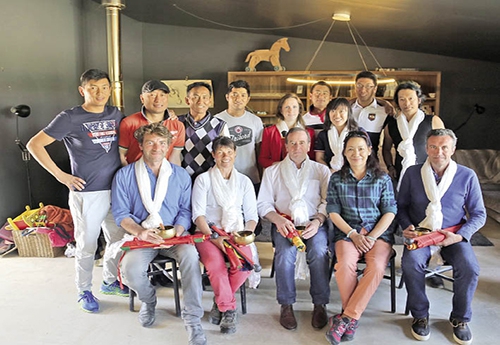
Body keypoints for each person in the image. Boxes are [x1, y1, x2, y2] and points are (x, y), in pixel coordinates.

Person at [26, 69, 128, 313]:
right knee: (87, 244)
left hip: (117, 190)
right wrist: (61, 176)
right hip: (87, 193)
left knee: (119, 239)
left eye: (104, 87)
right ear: (83, 90)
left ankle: (110, 281)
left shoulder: (116, 114)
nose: (100, 92)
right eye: (93, 87)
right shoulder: (70, 117)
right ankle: (84, 290)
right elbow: (34, 144)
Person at [111, 123, 207, 345]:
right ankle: (149, 300)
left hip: (174, 236)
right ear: (141, 146)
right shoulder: (124, 176)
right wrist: (141, 232)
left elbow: (185, 210)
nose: (157, 147)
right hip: (142, 236)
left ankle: (193, 319)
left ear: (168, 146)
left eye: (162, 143)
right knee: (130, 270)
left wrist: (179, 230)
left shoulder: (180, 175)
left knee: (192, 258)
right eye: (151, 142)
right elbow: (121, 214)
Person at [398, 129, 486, 345]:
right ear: (426, 148)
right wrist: (406, 226)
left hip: (452, 235)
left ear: (453, 149)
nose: (439, 152)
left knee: (469, 267)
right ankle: (420, 315)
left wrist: (460, 236)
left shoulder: (467, 175)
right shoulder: (412, 173)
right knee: (410, 264)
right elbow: (401, 207)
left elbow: (479, 214)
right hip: (421, 234)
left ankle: (460, 319)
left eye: (444, 147)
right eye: (433, 147)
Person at [325, 131, 396, 344]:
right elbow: (333, 211)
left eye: (361, 149)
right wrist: (352, 234)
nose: (356, 153)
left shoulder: (382, 178)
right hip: (348, 233)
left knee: (376, 267)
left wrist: (372, 237)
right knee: (345, 264)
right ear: (344, 153)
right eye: (351, 149)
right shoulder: (337, 178)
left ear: (369, 151)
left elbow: (390, 211)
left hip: (378, 234)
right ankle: (351, 318)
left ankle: (347, 317)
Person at [257, 127, 331, 331]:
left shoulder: (321, 170)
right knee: (285, 254)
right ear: (285, 145)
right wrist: (278, 220)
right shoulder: (272, 171)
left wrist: (317, 222)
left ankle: (320, 304)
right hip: (285, 223)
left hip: (313, 223)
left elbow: (327, 201)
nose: (297, 147)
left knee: (318, 251)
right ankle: (286, 304)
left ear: (309, 145)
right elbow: (263, 204)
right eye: (292, 143)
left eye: (301, 143)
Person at [192, 136, 258, 334]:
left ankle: (219, 300)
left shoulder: (244, 182)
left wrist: (245, 236)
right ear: (213, 155)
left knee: (245, 264)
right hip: (208, 234)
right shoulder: (203, 180)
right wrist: (214, 237)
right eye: (220, 152)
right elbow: (198, 215)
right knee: (215, 266)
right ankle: (228, 309)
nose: (225, 156)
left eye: (229, 152)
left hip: (235, 233)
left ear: (235, 154)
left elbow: (252, 217)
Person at [382, 81, 445, 186]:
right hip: (400, 173)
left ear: (419, 100)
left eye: (411, 99)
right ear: (397, 102)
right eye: (402, 99)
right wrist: (390, 166)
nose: (407, 103)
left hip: (429, 172)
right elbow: (386, 149)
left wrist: (441, 168)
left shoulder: (433, 121)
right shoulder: (391, 125)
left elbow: (444, 146)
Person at [119, 80, 185, 166]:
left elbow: (175, 157)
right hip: (136, 173)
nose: (158, 100)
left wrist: (174, 177)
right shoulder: (129, 123)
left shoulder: (177, 125)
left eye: (162, 95)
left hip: (165, 175)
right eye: (152, 95)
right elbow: (121, 155)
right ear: (142, 98)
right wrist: (128, 175)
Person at [215, 80, 264, 186]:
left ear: (248, 99)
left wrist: (261, 175)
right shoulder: (217, 120)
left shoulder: (255, 121)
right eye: (234, 95)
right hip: (224, 178)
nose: (238, 99)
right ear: (227, 97)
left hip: (251, 177)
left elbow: (259, 150)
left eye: (243, 95)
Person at [178, 81, 229, 179]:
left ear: (210, 100)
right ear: (187, 100)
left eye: (205, 97)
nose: (200, 101)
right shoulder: (178, 123)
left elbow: (225, 155)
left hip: (210, 179)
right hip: (182, 178)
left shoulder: (220, 125)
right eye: (195, 97)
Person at [258, 93, 315, 169]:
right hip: (277, 174)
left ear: (299, 109)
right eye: (287, 107)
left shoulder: (310, 132)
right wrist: (281, 166)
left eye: (294, 107)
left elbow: (312, 158)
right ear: (281, 110)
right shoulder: (269, 132)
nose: (291, 110)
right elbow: (263, 159)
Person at [350, 71, 394, 157]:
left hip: (371, 162)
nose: (363, 90)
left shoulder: (384, 111)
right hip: (347, 161)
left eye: (368, 86)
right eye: (359, 86)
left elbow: (387, 144)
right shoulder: (346, 109)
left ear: (375, 89)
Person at [315, 97, 364, 173]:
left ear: (349, 113)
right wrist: (329, 172)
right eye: (333, 111)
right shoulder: (323, 134)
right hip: (330, 173)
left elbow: (364, 156)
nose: (337, 115)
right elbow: (319, 158)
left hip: (355, 173)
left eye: (341, 111)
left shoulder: (358, 132)